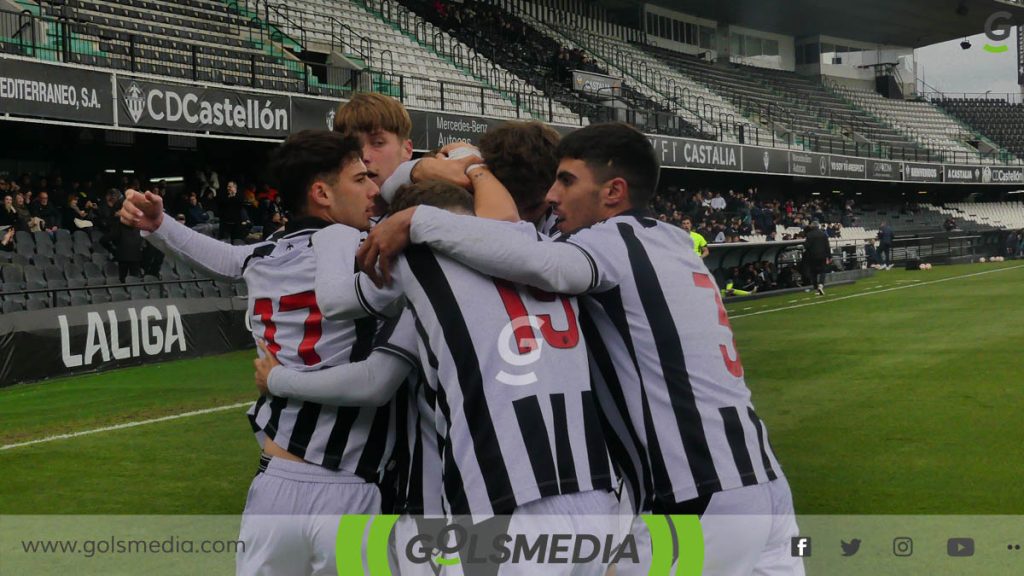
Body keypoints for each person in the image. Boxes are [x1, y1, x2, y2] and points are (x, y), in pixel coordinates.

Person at [361, 123, 801, 576]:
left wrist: (421, 217)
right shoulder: (673, 240)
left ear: (613, 192)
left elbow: (539, 259)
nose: (553, 196)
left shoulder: (611, 241)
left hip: (696, 493)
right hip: (764, 483)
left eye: (567, 181)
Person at [282, 179, 619, 573]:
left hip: (502, 497)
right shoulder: (547, 247)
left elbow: (336, 301)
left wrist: (332, 237)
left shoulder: (417, 258)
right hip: (595, 489)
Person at [118, 130, 394, 575]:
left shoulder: (263, 257)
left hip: (273, 485)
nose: (374, 189)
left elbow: (226, 260)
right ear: (322, 193)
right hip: (349, 486)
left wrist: (160, 225)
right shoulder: (362, 252)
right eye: (361, 179)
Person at [802, 221, 831, 296]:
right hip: (822, 256)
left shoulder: (809, 234)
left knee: (813, 273)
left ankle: (816, 287)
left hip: (812, 256)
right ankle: (821, 285)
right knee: (823, 271)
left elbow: (806, 246)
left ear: (812, 227)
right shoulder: (823, 234)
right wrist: (829, 256)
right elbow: (827, 246)